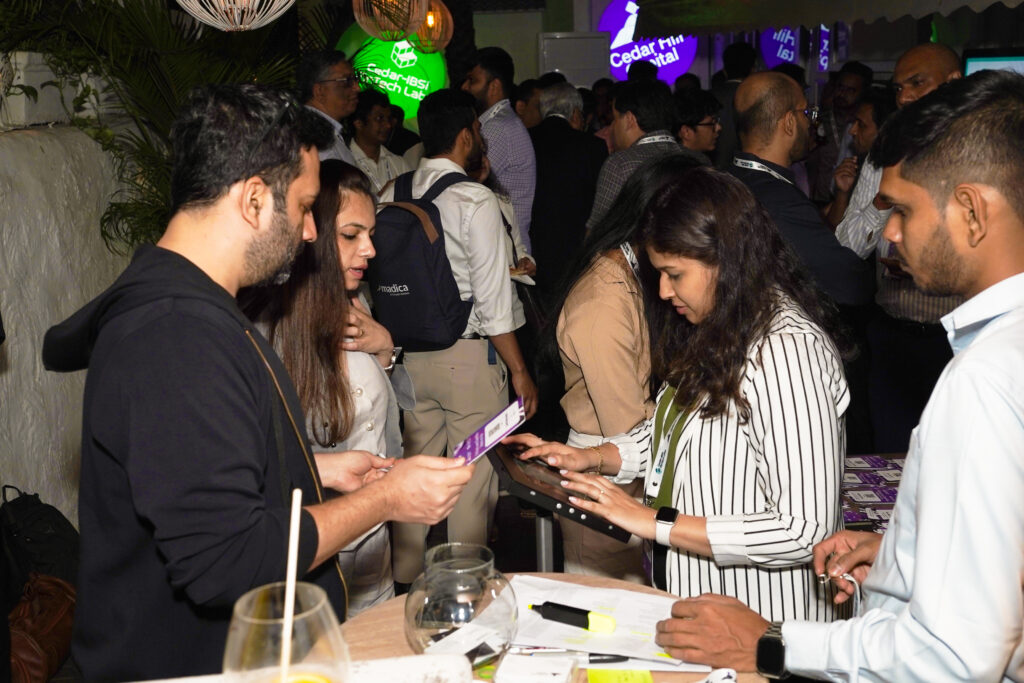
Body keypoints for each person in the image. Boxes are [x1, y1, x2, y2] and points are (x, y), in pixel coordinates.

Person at [41, 85, 473, 681]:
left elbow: (187, 473)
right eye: (303, 207)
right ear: (252, 201)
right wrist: (386, 499)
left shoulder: (194, 307)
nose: (310, 232)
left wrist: (313, 469)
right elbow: (230, 560)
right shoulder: (176, 334)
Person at [653, 68, 1024, 683]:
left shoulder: (985, 380)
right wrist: (904, 559)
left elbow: (953, 657)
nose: (891, 234)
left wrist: (772, 643)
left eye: (901, 210)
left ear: (971, 211)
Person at [509, 163, 849, 623]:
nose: (664, 291)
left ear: (726, 260)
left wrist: (654, 522)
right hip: (704, 604)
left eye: (674, 274)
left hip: (760, 617)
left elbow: (803, 529)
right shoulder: (720, 325)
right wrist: (593, 457)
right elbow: (671, 434)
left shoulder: (786, 351)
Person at [381, 89, 539, 585]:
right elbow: (493, 301)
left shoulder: (390, 192)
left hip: (407, 359)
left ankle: (404, 585)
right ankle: (464, 589)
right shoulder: (475, 199)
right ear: (466, 135)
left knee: (415, 472)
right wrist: (519, 371)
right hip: (469, 360)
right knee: (471, 480)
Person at [250, 161, 411, 616]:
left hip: (373, 544)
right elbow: (254, 462)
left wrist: (386, 350)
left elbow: (384, 415)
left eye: (370, 234)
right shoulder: (267, 328)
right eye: (350, 235)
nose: (370, 249)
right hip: (312, 555)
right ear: (309, 233)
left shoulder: (356, 301)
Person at [541, 154, 702, 583]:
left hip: (626, 471)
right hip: (608, 477)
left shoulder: (636, 276)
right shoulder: (604, 299)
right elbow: (626, 425)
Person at [835, 43, 964, 452]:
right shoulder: (884, 155)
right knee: (891, 453)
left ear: (953, 82)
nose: (905, 96)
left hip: (955, 338)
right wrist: (881, 203)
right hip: (891, 331)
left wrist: (932, 264)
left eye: (917, 83)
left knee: (952, 453)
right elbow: (846, 245)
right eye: (898, 88)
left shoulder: (977, 153)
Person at [730, 71, 873, 309]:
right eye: (807, 113)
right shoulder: (781, 201)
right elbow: (849, 283)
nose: (811, 123)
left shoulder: (727, 178)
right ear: (789, 122)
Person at [587, 79, 704, 229]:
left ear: (629, 119)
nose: (612, 127)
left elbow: (598, 230)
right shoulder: (699, 160)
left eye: (615, 119)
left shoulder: (621, 164)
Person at [528, 82, 608, 302]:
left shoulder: (526, 139)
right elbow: (600, 204)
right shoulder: (593, 146)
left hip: (533, 249)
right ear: (574, 113)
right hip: (576, 250)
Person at [462, 47, 537, 254]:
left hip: (506, 249)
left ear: (494, 86)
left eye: (472, 81)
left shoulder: (497, 128)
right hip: (505, 246)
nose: (465, 87)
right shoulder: (500, 123)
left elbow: (465, 185)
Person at [824, 87, 897, 229]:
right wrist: (842, 193)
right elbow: (835, 230)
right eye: (854, 122)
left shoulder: (893, 177)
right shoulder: (860, 165)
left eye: (861, 125)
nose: (852, 131)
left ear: (883, 131)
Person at [297, 50, 360, 166]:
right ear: (320, 91)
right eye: (347, 81)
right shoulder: (311, 136)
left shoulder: (328, 132)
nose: (357, 88)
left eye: (355, 79)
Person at [348, 89, 411, 192]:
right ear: (359, 123)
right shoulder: (346, 161)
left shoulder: (399, 163)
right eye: (379, 119)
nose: (388, 125)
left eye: (389, 118)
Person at [711, 41, 756, 169]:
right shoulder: (756, 98)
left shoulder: (709, 96)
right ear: (752, 69)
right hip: (746, 168)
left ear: (724, 70)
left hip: (712, 167)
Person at [675, 88, 723, 163]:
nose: (718, 128)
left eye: (717, 121)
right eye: (712, 123)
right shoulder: (694, 166)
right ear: (686, 132)